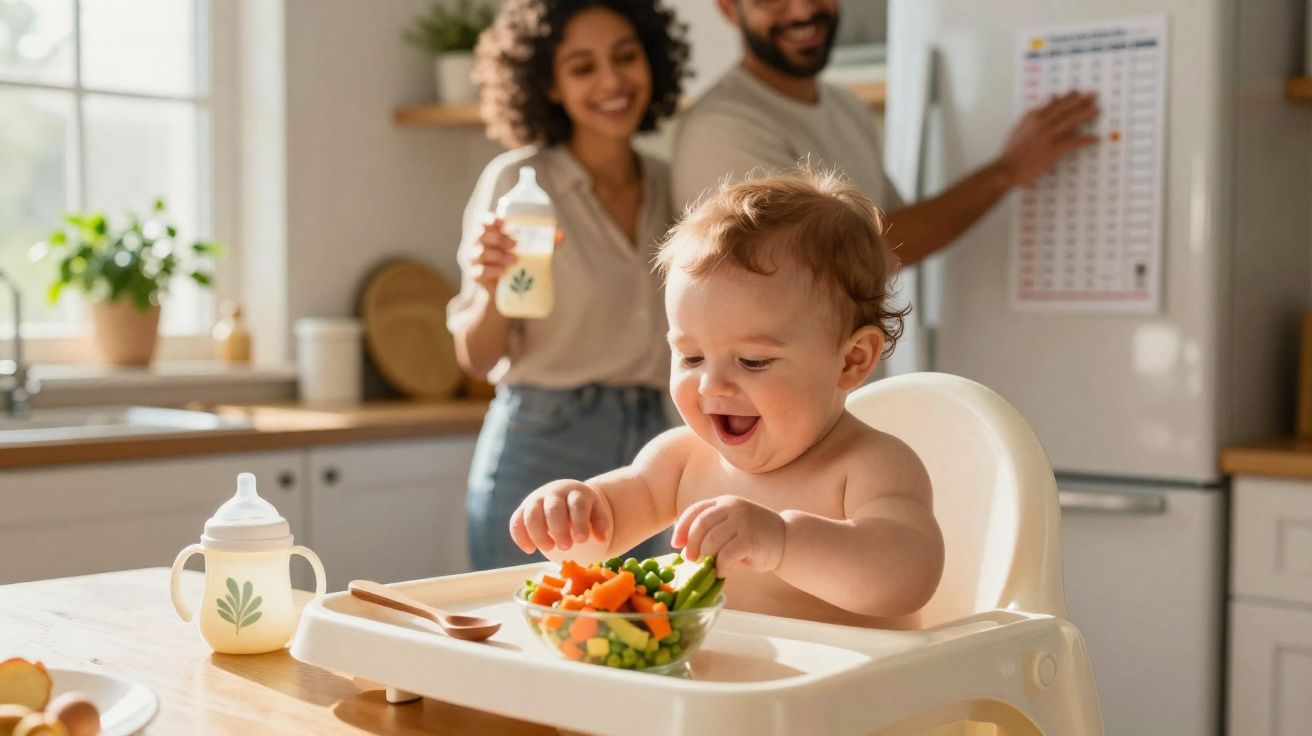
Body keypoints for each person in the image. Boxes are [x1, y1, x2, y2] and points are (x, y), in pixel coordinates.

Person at [508, 168, 945, 628]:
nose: (711, 386)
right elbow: (602, 535)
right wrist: (570, 509)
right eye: (691, 357)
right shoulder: (682, 460)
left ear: (852, 360)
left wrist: (782, 541)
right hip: (722, 692)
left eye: (753, 361)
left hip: (849, 696)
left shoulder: (871, 466)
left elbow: (907, 580)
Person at [450, 0, 690, 570]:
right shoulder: (518, 182)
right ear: (549, 85)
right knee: (521, 635)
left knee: (636, 634)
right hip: (543, 437)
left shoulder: (670, 183)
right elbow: (476, 358)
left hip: (654, 444)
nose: (611, 80)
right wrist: (490, 290)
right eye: (582, 67)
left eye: (626, 57)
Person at [672, 0, 1099, 265]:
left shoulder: (846, 107)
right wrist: (1006, 171)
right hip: (762, 408)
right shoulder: (724, 125)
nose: (802, 10)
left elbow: (893, 232)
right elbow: (857, 252)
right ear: (729, 7)